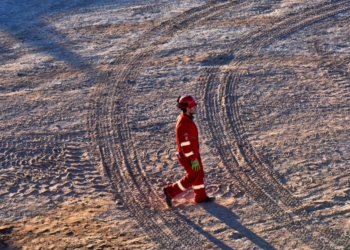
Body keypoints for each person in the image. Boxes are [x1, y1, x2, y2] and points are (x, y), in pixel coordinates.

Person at [163, 95, 215, 207]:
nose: (195, 108)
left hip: (193, 153)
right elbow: (185, 146)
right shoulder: (183, 123)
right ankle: (170, 191)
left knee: (199, 173)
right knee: (192, 175)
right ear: (187, 108)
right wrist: (193, 160)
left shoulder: (186, 119)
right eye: (193, 106)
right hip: (188, 156)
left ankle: (200, 196)